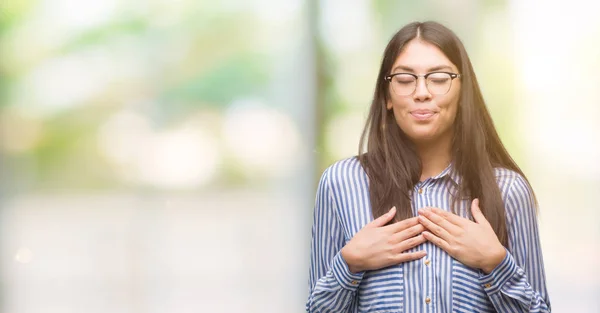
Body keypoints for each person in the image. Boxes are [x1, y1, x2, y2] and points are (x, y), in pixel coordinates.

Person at [306, 21, 551, 313]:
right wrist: (350, 264)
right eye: (405, 79)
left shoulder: (508, 190)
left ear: (463, 92)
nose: (421, 92)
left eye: (438, 78)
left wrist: (495, 263)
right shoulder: (341, 183)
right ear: (386, 95)